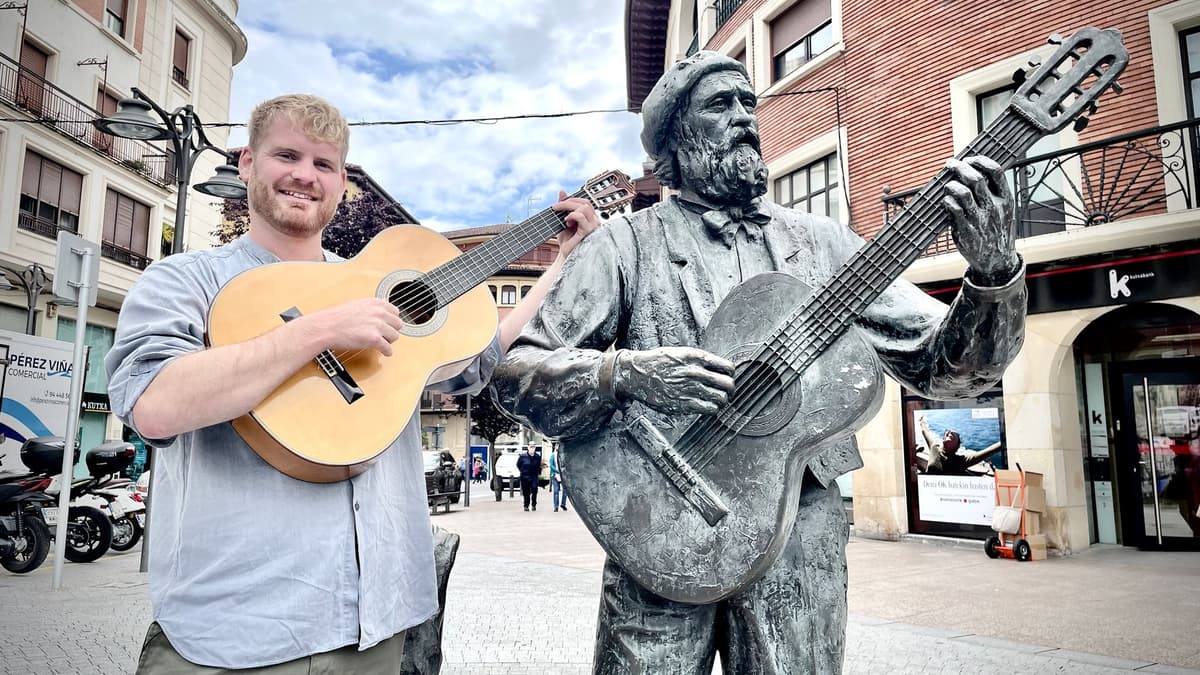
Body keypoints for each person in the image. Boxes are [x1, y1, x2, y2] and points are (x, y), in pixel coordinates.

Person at [489, 51, 1026, 673]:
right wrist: (625, 373)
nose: (745, 117)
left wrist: (992, 276)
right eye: (720, 105)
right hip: (660, 519)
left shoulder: (824, 243)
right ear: (674, 138)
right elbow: (515, 374)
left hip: (798, 533)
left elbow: (955, 371)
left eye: (749, 102)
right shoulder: (624, 244)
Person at [104, 94, 600, 672]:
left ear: (341, 184)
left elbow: (479, 355)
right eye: (286, 155)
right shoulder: (183, 281)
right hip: (236, 630)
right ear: (246, 164)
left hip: (377, 628)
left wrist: (560, 263)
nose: (303, 176)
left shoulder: (373, 283)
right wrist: (316, 332)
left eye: (323, 165)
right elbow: (153, 404)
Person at [915, 414, 1002, 476]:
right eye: (947, 432)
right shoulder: (934, 447)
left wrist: (1006, 439)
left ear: (957, 445)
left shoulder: (961, 461)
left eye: (954, 434)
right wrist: (921, 421)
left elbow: (988, 451)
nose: (950, 432)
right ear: (943, 439)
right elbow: (925, 432)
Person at [516, 446, 541, 511]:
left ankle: (533, 504)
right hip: (525, 476)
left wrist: (538, 472)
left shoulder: (537, 456)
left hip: (534, 476)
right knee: (526, 492)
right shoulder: (522, 456)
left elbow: (539, 465)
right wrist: (523, 470)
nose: (532, 449)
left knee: (534, 490)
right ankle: (526, 505)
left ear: (535, 448)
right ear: (528, 448)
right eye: (531, 447)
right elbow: (518, 464)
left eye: (533, 447)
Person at [549, 443, 568, 512]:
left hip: (563, 476)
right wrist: (557, 471)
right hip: (555, 475)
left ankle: (563, 504)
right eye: (557, 446)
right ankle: (556, 506)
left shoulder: (564, 455)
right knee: (556, 491)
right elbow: (551, 465)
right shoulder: (553, 455)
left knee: (565, 491)